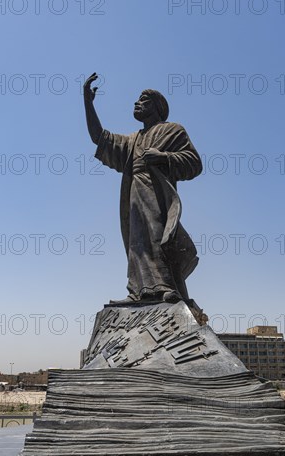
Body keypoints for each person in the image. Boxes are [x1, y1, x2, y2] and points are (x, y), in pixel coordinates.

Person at [84, 73, 203, 303]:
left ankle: (166, 287)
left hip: (157, 196)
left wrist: (163, 157)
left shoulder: (173, 131)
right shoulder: (132, 140)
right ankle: (139, 292)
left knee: (159, 237)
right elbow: (99, 138)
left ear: (157, 107)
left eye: (143, 100)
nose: (136, 103)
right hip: (135, 196)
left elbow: (194, 163)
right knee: (137, 244)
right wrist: (88, 103)